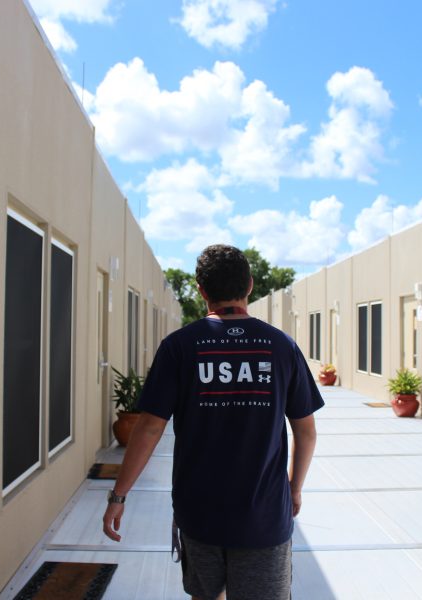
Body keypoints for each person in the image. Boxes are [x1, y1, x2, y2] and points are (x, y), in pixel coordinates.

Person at [102, 244, 323, 600]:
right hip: (264, 516)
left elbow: (149, 428)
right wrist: (294, 489)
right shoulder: (282, 347)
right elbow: (306, 432)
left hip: (199, 513)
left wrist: (119, 496)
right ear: (250, 285)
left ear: (201, 290)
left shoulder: (180, 346)